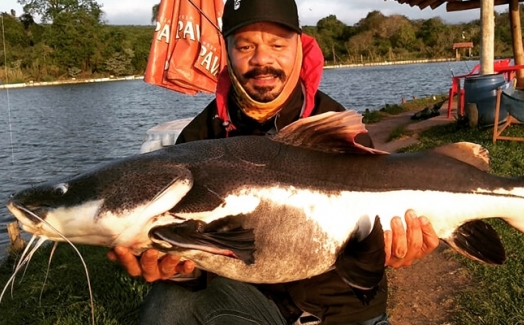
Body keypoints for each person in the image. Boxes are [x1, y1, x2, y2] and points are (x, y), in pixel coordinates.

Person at [108, 0, 440, 324]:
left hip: (345, 309)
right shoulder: (198, 138)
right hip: (254, 300)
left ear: (301, 46)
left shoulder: (336, 129)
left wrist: (390, 252)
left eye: (277, 45)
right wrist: (179, 270)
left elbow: (369, 242)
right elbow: (198, 260)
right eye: (245, 47)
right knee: (169, 305)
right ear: (226, 52)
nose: (262, 59)